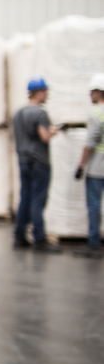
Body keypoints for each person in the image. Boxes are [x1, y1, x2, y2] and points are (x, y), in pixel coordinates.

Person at [11, 77, 62, 253]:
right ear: (39, 92)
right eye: (45, 91)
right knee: (38, 200)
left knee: (25, 197)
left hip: (23, 160)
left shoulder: (18, 113)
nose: (47, 94)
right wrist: (53, 131)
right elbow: (44, 137)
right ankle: (39, 239)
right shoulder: (40, 113)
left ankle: (19, 236)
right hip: (39, 162)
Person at [72, 73, 104, 259]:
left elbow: (90, 143)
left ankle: (93, 243)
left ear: (99, 92)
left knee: (94, 205)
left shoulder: (96, 114)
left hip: (97, 168)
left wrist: (80, 165)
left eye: (91, 92)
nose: (90, 95)